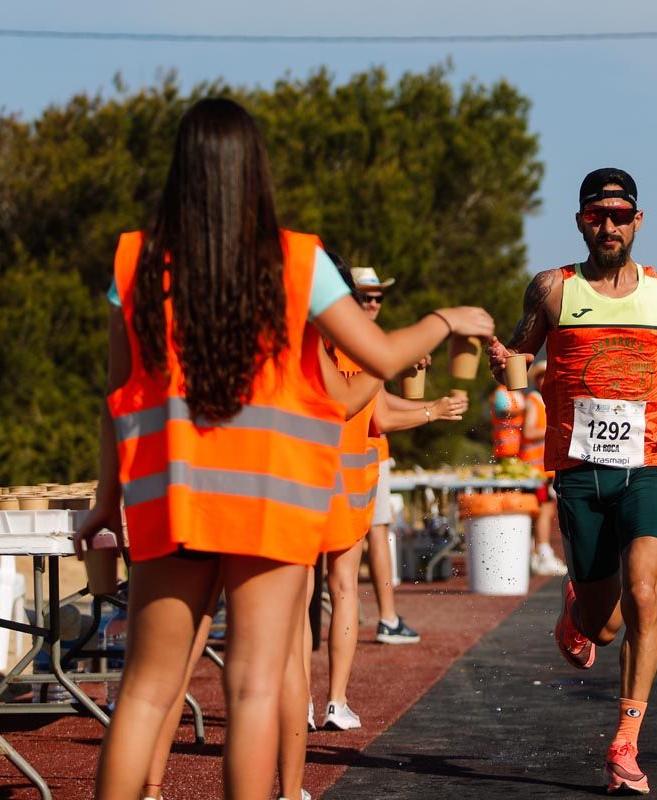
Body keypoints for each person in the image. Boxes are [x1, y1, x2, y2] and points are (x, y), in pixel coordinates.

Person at [74, 97, 493, 800]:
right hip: (269, 504)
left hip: (170, 504)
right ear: (254, 172)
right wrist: (444, 319)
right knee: (254, 689)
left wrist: (103, 504)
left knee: (145, 692)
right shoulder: (299, 262)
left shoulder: (135, 263)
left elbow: (118, 401)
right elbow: (381, 355)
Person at [488, 167, 657, 795]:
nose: (609, 226)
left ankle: (625, 741)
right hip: (577, 469)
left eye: (620, 215)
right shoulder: (552, 289)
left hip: (651, 459)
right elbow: (520, 357)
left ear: (638, 221)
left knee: (644, 592)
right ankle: (578, 605)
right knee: (604, 625)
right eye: (597, 215)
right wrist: (505, 363)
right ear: (580, 222)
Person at [350, 266, 469, 646]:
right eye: (363, 295)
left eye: (377, 296)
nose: (371, 303)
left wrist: (432, 405)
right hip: (360, 455)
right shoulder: (357, 341)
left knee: (344, 560)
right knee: (365, 544)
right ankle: (384, 618)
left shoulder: (356, 338)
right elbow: (380, 414)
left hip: (355, 454)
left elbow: (377, 401)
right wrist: (432, 412)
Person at [520, 360, 568, 577]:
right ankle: (543, 551)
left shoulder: (549, 402)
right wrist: (554, 431)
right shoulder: (535, 400)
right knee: (543, 511)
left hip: (544, 468)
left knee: (545, 510)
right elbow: (529, 433)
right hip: (535, 469)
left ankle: (537, 553)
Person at [489, 383, 524, 461]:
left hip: (518, 447)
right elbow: (504, 413)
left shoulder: (516, 392)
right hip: (505, 446)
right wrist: (525, 410)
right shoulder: (501, 392)